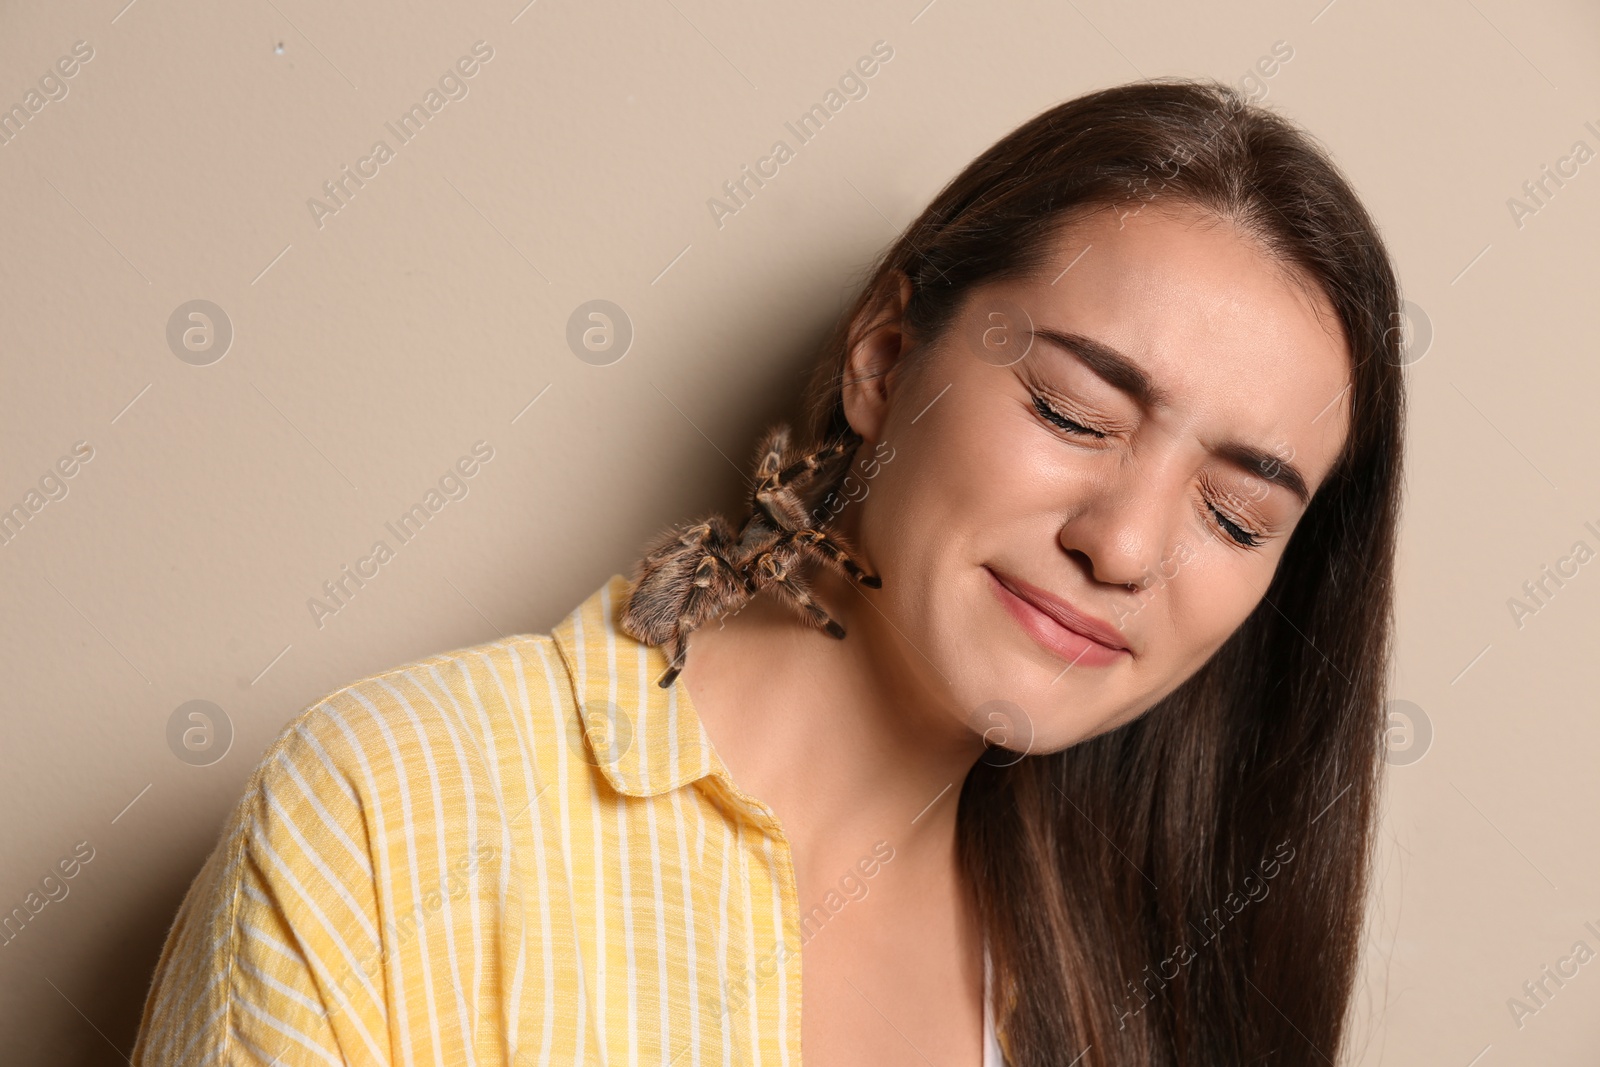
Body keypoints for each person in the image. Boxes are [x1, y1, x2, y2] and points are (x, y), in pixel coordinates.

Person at [130, 76, 1406, 1067]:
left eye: (1236, 517)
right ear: (885, 357)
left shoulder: (1141, 983)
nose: (1124, 545)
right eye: (1073, 412)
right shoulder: (396, 807)